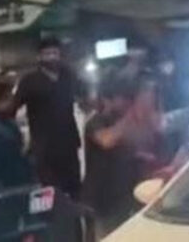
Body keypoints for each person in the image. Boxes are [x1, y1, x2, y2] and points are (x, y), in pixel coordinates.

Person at [12, 37, 84, 199]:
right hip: (45, 149)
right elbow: (13, 107)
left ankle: (75, 215)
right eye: (47, 53)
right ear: (39, 57)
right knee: (50, 195)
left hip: (68, 144)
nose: (52, 57)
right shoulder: (29, 81)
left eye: (55, 53)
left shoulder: (68, 76)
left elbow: (84, 96)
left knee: (75, 190)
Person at [82, 80, 145, 236]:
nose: (125, 103)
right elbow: (106, 140)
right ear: (107, 100)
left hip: (124, 196)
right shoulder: (95, 122)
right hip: (103, 198)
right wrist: (130, 116)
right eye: (122, 98)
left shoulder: (120, 122)